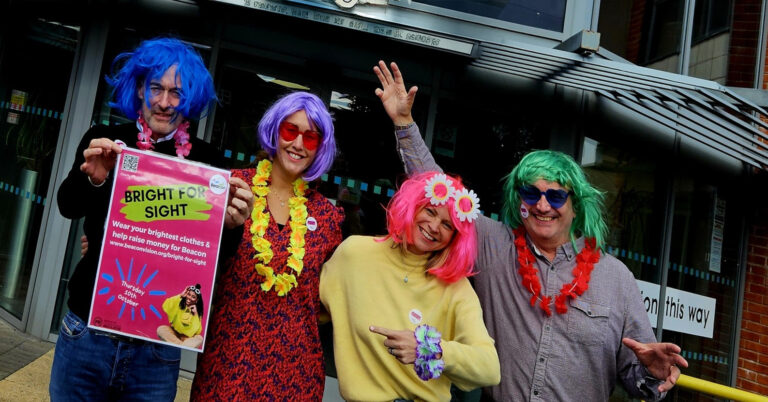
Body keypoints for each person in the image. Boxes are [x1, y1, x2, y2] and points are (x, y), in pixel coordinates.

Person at [373, 61, 689, 401]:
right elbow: (438, 189)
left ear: (575, 204)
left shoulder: (618, 281)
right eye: (531, 194)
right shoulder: (495, 246)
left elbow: (637, 377)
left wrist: (651, 373)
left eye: (555, 195)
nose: (542, 206)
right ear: (517, 199)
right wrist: (404, 123)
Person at [51, 37, 254, 401]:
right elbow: (67, 206)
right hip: (86, 330)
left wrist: (233, 226)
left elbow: (217, 260)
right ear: (140, 88)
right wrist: (94, 177)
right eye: (156, 88)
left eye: (176, 93)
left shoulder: (207, 163)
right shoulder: (107, 140)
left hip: (157, 349)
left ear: (190, 97)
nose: (163, 102)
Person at [191, 91, 344, 400]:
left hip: (296, 373)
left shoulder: (329, 218)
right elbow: (189, 248)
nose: (298, 144)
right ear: (275, 131)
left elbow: (336, 293)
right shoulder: (232, 188)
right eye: (291, 130)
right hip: (228, 360)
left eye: (311, 137)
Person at [320, 171, 500, 401]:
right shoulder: (354, 254)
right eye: (430, 211)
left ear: (455, 236)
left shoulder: (456, 288)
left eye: (447, 224)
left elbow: (490, 368)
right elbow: (307, 309)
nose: (434, 226)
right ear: (412, 206)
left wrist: (428, 349)